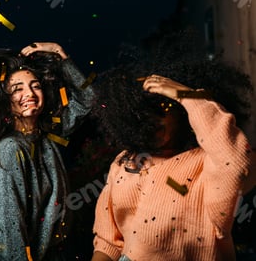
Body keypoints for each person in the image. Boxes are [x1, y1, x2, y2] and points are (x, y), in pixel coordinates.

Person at [89, 30, 254, 261]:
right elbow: (108, 241)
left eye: (165, 109)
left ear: (183, 113)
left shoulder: (205, 163)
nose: (154, 120)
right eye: (145, 112)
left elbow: (235, 163)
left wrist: (185, 95)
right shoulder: (124, 162)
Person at [0, 42, 95, 260]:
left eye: (35, 85)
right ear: (3, 100)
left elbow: (88, 100)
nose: (29, 93)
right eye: (17, 89)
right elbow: (11, 232)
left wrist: (60, 54)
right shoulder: (10, 149)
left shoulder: (47, 133)